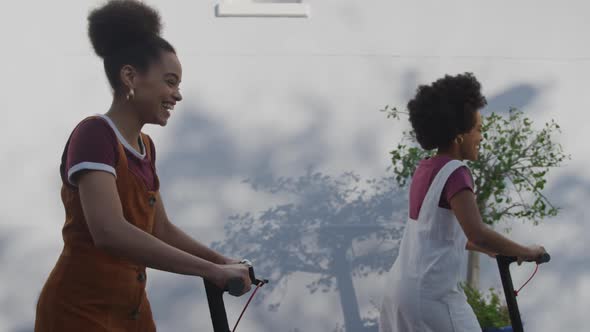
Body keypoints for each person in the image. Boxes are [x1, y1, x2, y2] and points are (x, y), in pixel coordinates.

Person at [34, 1, 251, 331]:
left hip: (130, 312)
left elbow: (159, 228)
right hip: (78, 313)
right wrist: (210, 271)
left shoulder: (145, 147)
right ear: (130, 77)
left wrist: (220, 261)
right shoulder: (95, 134)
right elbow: (109, 232)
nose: (177, 95)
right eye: (170, 81)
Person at [379, 73, 547, 332]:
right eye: (478, 130)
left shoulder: (426, 168)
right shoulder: (456, 172)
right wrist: (526, 251)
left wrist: (491, 249)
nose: (481, 138)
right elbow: (477, 233)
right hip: (432, 297)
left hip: (400, 292)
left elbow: (439, 233)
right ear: (459, 136)